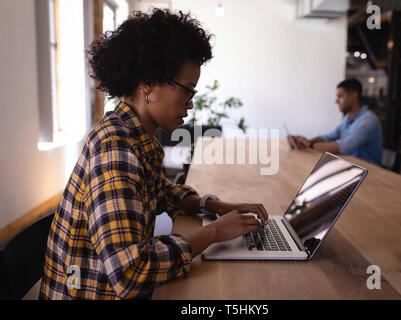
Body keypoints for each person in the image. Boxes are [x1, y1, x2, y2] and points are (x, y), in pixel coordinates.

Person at [39, 9, 268, 300]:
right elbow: (129, 273)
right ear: (148, 84)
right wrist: (213, 233)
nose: (190, 104)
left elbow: (160, 192)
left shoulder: (130, 133)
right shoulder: (115, 149)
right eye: (187, 91)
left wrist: (215, 206)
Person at [287, 79, 382, 165]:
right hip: (352, 168)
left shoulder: (368, 120)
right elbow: (329, 137)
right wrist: (305, 141)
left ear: (354, 96)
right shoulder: (348, 119)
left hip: (371, 174)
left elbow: (344, 147)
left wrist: (310, 145)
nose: (336, 101)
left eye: (340, 96)